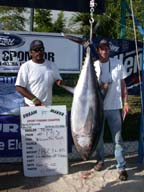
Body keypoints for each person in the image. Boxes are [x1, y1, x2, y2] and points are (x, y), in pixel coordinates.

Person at [94, 39, 130, 181]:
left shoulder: (118, 63)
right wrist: (101, 88)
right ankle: (100, 160)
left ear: (109, 50)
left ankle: (121, 167)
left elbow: (123, 85)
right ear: (98, 50)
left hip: (115, 107)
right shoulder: (93, 65)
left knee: (118, 140)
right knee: (98, 139)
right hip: (97, 109)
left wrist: (125, 101)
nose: (104, 51)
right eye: (101, 48)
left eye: (106, 48)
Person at [15, 40, 63, 106]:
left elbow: (57, 80)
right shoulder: (26, 66)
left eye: (41, 49)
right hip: (31, 106)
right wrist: (34, 100)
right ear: (30, 53)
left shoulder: (52, 65)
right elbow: (19, 87)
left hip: (47, 106)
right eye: (36, 50)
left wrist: (59, 82)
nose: (39, 52)